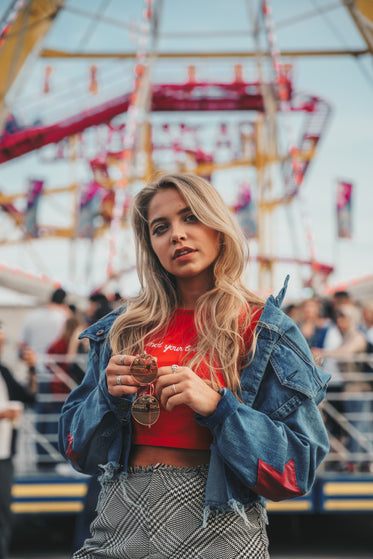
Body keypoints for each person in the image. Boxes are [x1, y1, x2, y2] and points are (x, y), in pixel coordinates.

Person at [59, 173, 330, 558]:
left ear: (219, 228)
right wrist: (105, 396)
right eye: (160, 227)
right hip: (119, 520)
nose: (177, 235)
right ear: (150, 245)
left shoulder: (264, 330)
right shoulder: (122, 328)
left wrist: (219, 408)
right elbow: (76, 451)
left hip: (219, 529)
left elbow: (297, 469)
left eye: (191, 218)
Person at [0, 325, 37, 559]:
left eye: (2, 341)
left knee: (4, 515)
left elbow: (29, 397)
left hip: (4, 457)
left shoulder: (3, 371)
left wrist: (32, 368)